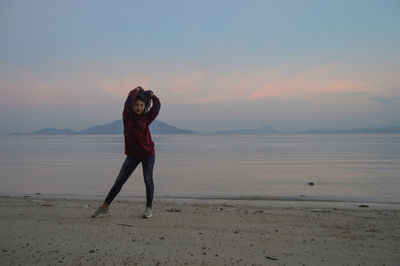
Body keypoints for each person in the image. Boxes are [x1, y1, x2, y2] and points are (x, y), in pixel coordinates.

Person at [92, 86, 161, 218]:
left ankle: (148, 208)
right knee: (119, 181)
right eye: (136, 105)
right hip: (133, 155)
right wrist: (136, 90)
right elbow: (129, 99)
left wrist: (152, 96)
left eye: (141, 105)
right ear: (132, 106)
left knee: (148, 180)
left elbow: (157, 107)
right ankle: (105, 207)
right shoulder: (127, 116)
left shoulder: (146, 119)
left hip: (148, 154)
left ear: (144, 107)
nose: (139, 107)